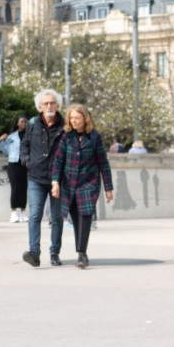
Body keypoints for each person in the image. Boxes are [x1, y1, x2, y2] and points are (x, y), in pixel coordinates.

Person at [50, 103, 113, 269]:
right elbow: (58, 160)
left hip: (88, 183)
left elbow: (103, 163)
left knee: (85, 216)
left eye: (77, 118)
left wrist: (108, 188)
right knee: (76, 217)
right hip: (69, 184)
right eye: (71, 118)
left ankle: (81, 253)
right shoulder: (66, 136)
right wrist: (55, 182)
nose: (74, 121)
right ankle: (81, 251)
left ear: (85, 119)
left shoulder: (94, 137)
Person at [20, 89, 66, 267]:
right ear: (40, 106)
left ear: (58, 105)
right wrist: (26, 161)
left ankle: (55, 253)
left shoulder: (65, 125)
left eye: (52, 103)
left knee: (56, 217)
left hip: (57, 179)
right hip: (36, 177)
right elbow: (24, 146)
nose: (49, 106)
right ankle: (34, 253)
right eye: (45, 103)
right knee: (35, 216)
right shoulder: (32, 124)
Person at [0, 114, 29, 223]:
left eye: (25, 121)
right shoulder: (12, 136)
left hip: (25, 164)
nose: (23, 123)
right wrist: (1, 141)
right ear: (17, 123)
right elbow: (6, 150)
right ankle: (14, 213)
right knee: (15, 188)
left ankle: (23, 212)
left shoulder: (30, 135)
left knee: (24, 188)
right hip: (14, 164)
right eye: (21, 121)